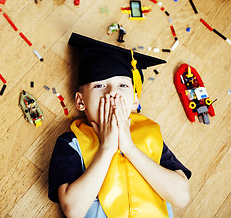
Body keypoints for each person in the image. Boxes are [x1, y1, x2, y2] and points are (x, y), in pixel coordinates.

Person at [48, 33, 192, 218]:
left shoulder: (150, 133)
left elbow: (181, 197)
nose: (112, 93)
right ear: (80, 101)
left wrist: (129, 147)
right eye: (99, 86)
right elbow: (73, 210)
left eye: (123, 86)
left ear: (134, 101)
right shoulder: (71, 142)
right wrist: (107, 148)